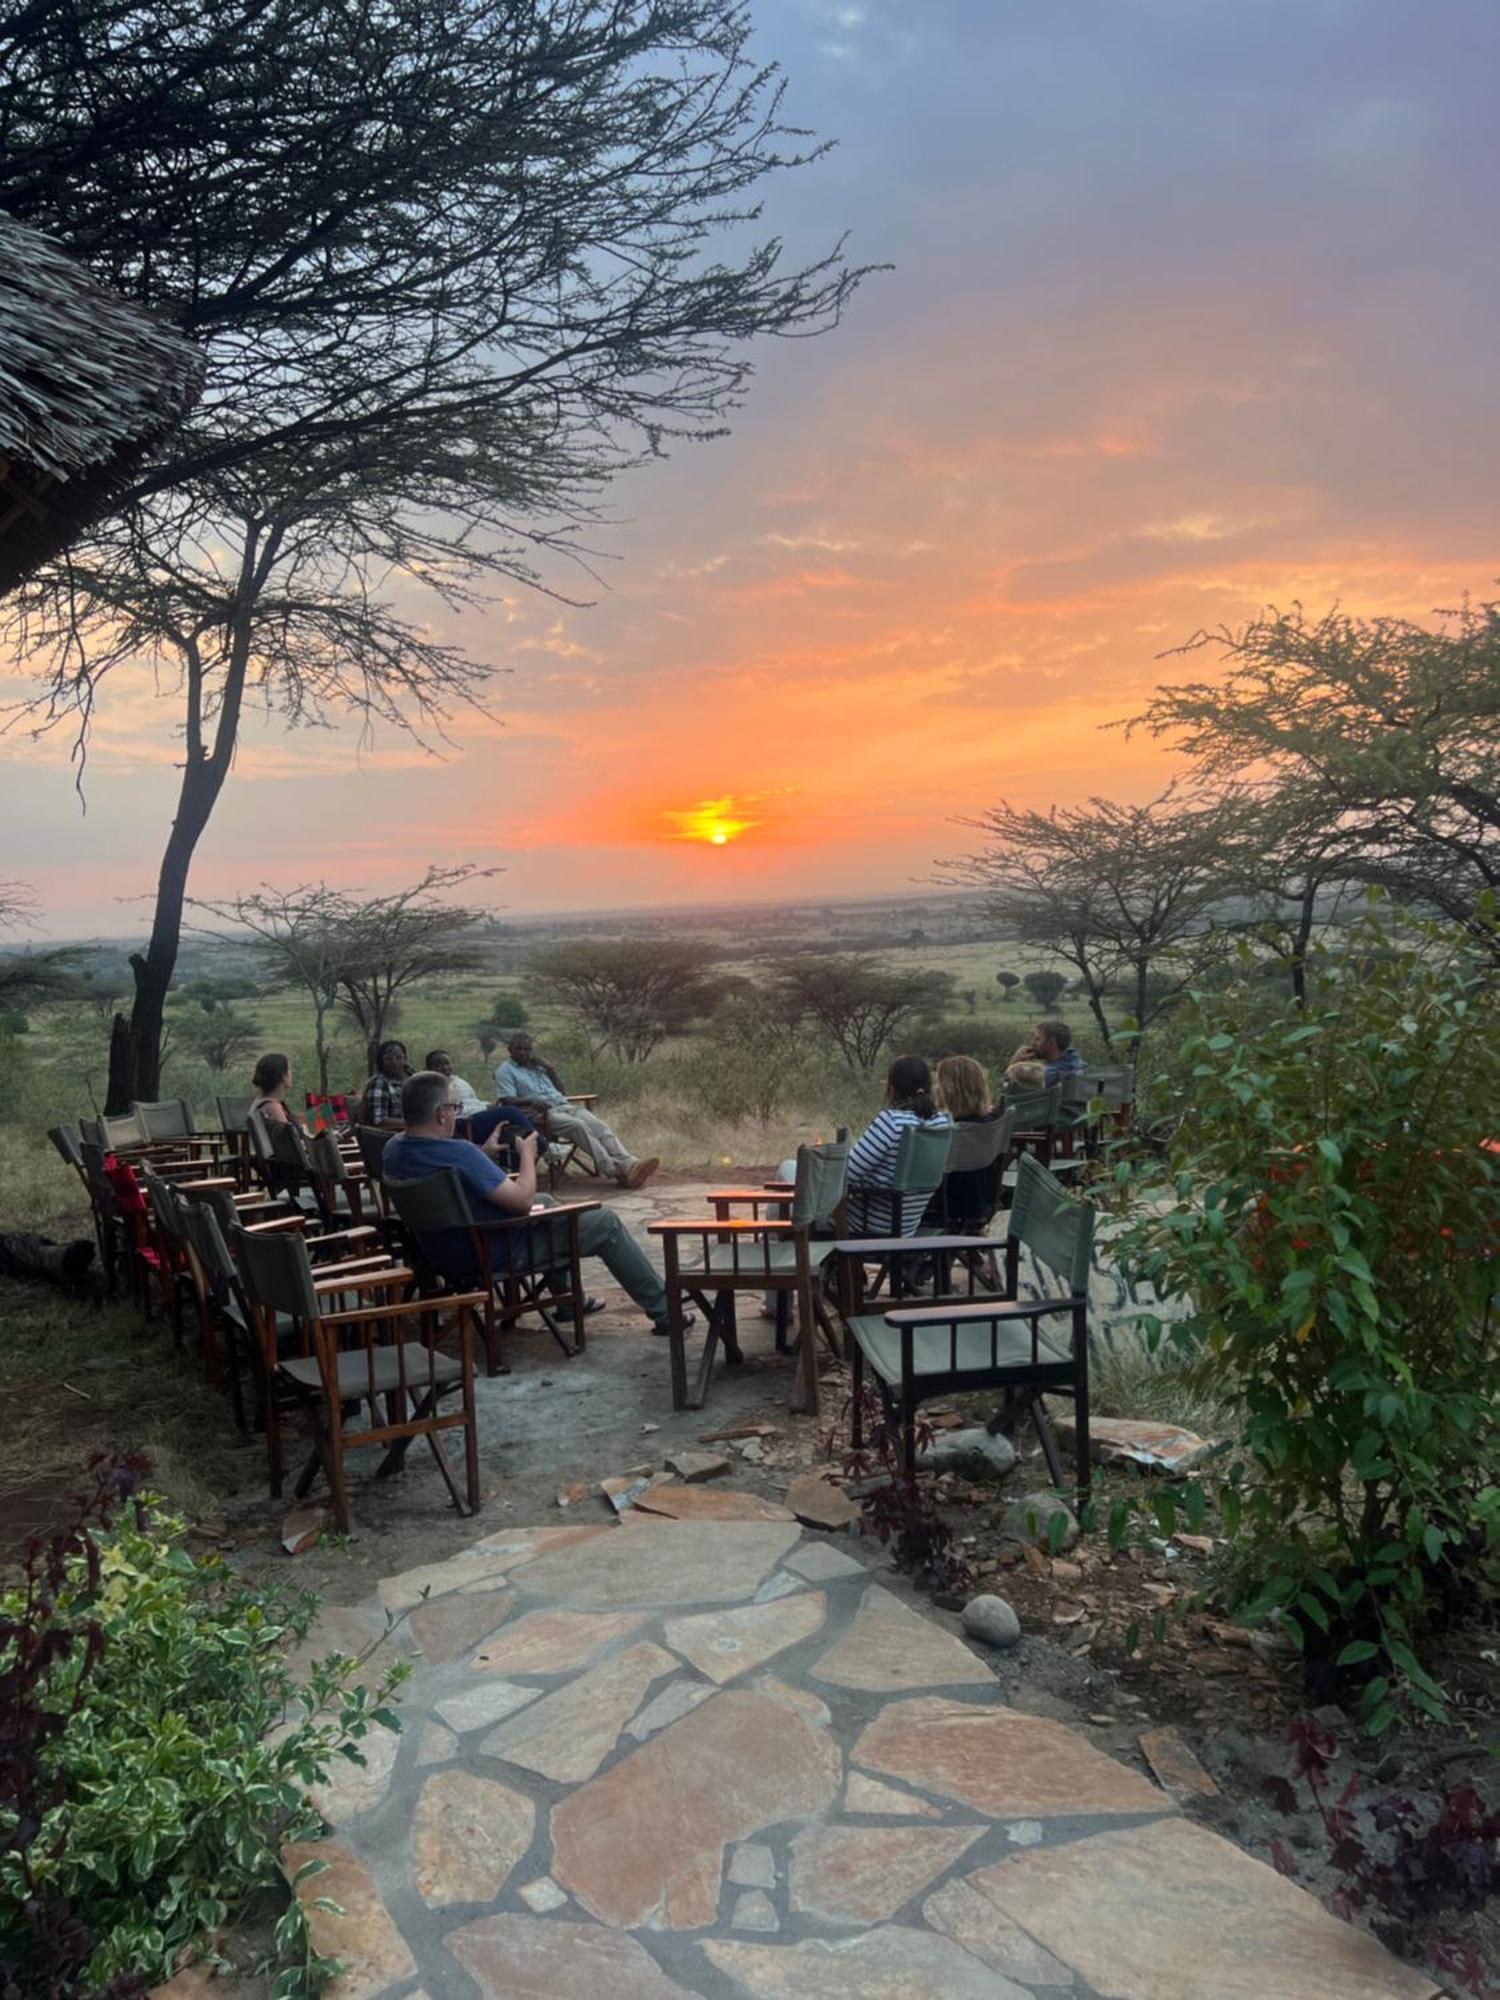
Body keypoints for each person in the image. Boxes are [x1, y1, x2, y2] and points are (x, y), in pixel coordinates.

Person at [383, 1070, 691, 1338]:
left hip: (442, 1252)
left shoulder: (394, 1149)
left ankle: (567, 1299)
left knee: (545, 1203)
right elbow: (520, 1202)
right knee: (604, 1222)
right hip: (495, 1251)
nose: (457, 1113)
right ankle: (666, 1312)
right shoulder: (460, 1153)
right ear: (441, 1114)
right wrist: (528, 1156)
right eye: (454, 1107)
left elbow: (451, 1172)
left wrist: (482, 1154)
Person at [493, 1031, 659, 1190]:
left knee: (598, 1125)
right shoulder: (505, 1070)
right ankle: (614, 1169)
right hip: (538, 1114)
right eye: (519, 1049)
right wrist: (532, 1100)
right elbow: (507, 1100)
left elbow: (561, 1092)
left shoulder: (537, 1067)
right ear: (510, 1050)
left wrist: (550, 1069)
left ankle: (630, 1165)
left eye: (527, 1049)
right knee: (577, 1125)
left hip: (563, 1106)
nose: (524, 1053)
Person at [846, 1054, 950, 1236]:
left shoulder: (891, 1122)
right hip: (907, 1225)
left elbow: (845, 1176)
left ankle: (793, 1257)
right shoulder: (942, 1122)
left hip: (866, 1224)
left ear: (892, 1088)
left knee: (789, 1169)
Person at [934, 1054, 1008, 1228]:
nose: (936, 1087)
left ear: (950, 1089)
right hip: (982, 1200)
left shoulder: (954, 1131)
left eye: (939, 1083)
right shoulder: (991, 1122)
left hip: (950, 1207)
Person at [360, 1039, 410, 1128]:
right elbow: (380, 1121)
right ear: (381, 1061)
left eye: (399, 1057)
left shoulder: (414, 1078)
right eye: (388, 1058)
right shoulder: (379, 1083)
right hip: (390, 1136)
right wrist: (416, 1124)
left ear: (405, 1058)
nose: (394, 1062)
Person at [249, 1052, 301, 1125]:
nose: (291, 1073)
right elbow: (289, 1135)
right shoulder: (272, 1108)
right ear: (283, 1076)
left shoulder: (260, 1102)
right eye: (289, 1069)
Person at [1031, 1018, 1083, 1087]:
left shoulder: (1050, 1074)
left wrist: (1017, 1061)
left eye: (1038, 1039)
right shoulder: (1073, 1059)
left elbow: (1014, 1089)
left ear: (1052, 1043)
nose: (1032, 1043)